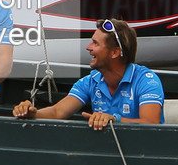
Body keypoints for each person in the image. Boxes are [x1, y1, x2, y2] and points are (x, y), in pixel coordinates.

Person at [12, 19, 162, 129]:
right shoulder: (90, 81)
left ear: (115, 52)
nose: (88, 47)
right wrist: (33, 113)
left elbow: (151, 122)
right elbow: (58, 111)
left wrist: (114, 119)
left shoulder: (146, 80)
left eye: (95, 43)